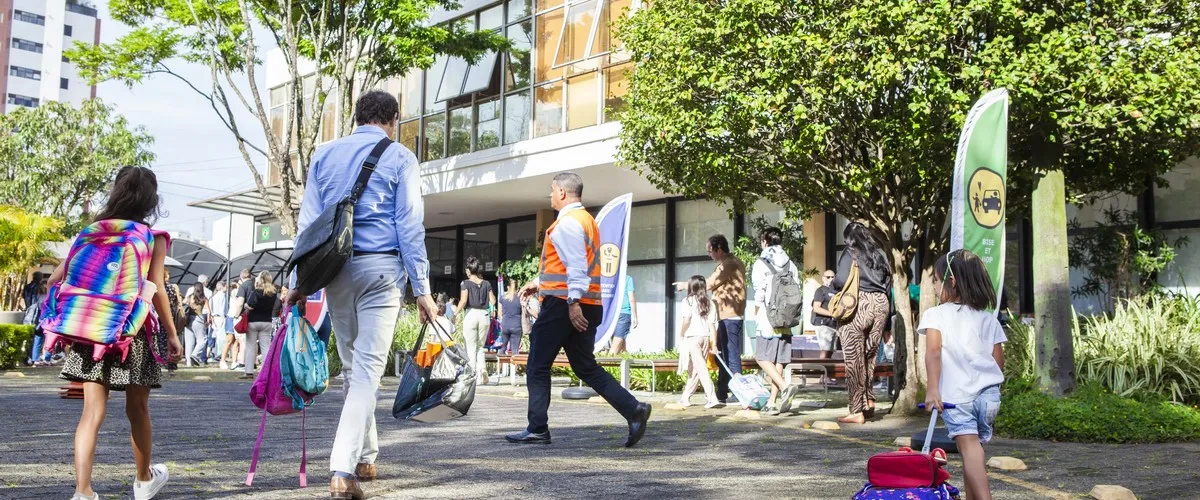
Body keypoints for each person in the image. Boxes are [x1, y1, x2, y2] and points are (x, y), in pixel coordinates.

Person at [285, 90, 436, 500]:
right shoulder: (401, 157)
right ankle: (342, 469)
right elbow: (409, 226)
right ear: (393, 119)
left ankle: (366, 457)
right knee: (367, 371)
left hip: (334, 270)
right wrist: (422, 289)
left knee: (355, 369)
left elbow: (309, 224)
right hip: (382, 270)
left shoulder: (324, 154)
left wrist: (300, 282)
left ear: (357, 116)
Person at [53, 166, 183, 500]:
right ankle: (143, 481)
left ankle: (83, 491)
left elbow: (56, 278)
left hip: (93, 332)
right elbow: (156, 288)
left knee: (91, 413)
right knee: (137, 409)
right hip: (132, 333)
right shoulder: (151, 237)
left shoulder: (92, 232)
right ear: (152, 199)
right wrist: (172, 334)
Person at [505, 172, 650, 447]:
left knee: (537, 364)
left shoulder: (567, 223)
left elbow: (577, 267)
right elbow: (571, 264)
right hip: (587, 304)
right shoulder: (587, 221)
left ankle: (537, 428)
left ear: (561, 192)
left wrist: (572, 304)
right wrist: (539, 283)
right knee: (585, 366)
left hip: (565, 305)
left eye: (551, 190)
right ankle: (634, 410)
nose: (550, 196)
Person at [919, 249, 1006, 500]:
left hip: (958, 396)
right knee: (972, 450)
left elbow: (933, 352)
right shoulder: (988, 318)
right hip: (989, 397)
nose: (935, 287)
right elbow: (998, 361)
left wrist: (932, 389)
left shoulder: (935, 315)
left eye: (936, 280)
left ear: (952, 281)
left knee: (969, 449)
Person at [832, 222, 893, 424]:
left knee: (853, 359)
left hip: (858, 303)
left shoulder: (850, 253)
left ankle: (856, 410)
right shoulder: (879, 255)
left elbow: (841, 280)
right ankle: (869, 401)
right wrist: (888, 326)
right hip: (881, 304)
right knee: (869, 356)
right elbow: (888, 285)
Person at [750, 226, 800, 416]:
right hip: (786, 317)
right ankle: (772, 402)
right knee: (778, 360)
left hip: (767, 318)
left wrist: (756, 312)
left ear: (765, 242)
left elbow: (759, 293)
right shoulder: (790, 264)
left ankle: (785, 386)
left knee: (761, 357)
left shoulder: (761, 263)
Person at [697, 234, 747, 405]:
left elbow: (710, 283)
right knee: (722, 355)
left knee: (731, 355)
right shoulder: (731, 262)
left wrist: (688, 285)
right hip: (726, 315)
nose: (709, 255)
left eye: (710, 251)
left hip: (730, 316)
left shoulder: (729, 264)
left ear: (719, 249)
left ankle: (739, 393)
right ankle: (722, 391)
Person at [676, 275, 719, 408]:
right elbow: (712, 326)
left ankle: (712, 397)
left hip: (693, 338)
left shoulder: (687, 301)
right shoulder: (709, 302)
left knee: (700, 368)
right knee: (695, 369)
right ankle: (685, 397)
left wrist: (681, 333)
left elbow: (686, 320)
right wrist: (714, 344)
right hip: (705, 338)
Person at [454, 255, 495, 385]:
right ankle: (482, 370)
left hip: (471, 314)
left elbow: (463, 301)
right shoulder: (486, 283)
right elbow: (493, 300)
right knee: (480, 347)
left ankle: (472, 377)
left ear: (468, 270)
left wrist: (455, 314)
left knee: (470, 347)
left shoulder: (465, 283)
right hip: (484, 315)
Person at [241, 272, 280, 379]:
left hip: (253, 321)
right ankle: (265, 372)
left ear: (260, 279)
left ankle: (249, 372)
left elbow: (250, 306)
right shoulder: (273, 294)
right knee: (266, 347)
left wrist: (245, 305)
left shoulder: (255, 292)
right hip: (267, 321)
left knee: (250, 346)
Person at [496, 279, 524, 379]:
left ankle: (499, 372)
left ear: (508, 287)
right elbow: (523, 312)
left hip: (505, 325)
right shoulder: (520, 297)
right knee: (515, 349)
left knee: (502, 348)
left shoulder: (502, 298)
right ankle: (515, 372)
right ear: (517, 287)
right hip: (517, 325)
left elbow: (499, 313)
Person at [810, 269, 839, 359]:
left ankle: (827, 367)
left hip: (834, 324)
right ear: (823, 278)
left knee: (830, 351)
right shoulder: (820, 290)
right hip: (823, 324)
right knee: (825, 351)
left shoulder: (836, 291)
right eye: (828, 277)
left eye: (833, 277)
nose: (830, 279)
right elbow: (816, 308)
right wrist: (832, 314)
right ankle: (822, 367)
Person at [228, 270, 253, 371]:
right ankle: (252, 362)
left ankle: (242, 363)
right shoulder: (255, 285)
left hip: (243, 316)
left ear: (241, 276)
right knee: (251, 341)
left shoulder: (243, 287)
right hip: (253, 316)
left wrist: (236, 315)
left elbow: (240, 303)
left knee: (242, 341)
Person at [607, 274, 638, 354]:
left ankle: (625, 357)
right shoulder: (627, 278)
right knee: (613, 351)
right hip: (623, 313)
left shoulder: (608, 278)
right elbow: (631, 297)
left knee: (621, 349)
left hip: (610, 314)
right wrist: (635, 316)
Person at [183, 282, 211, 367]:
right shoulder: (204, 298)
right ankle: (195, 355)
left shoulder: (190, 297)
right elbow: (209, 311)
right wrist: (208, 321)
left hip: (188, 319)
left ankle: (188, 362)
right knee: (203, 339)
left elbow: (183, 303)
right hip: (199, 319)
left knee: (189, 341)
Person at [211, 281, 231, 369]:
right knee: (221, 336)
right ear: (223, 287)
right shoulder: (222, 296)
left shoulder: (214, 296)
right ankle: (220, 353)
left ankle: (216, 353)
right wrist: (223, 318)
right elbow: (223, 308)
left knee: (217, 336)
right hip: (221, 317)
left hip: (215, 317)